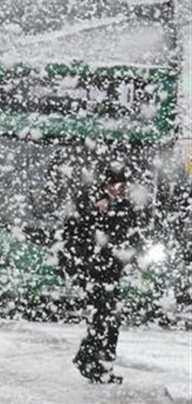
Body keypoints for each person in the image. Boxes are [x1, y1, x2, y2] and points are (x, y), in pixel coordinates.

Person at [63, 163, 140, 384]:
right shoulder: (92, 202)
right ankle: (94, 363)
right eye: (117, 185)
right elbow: (76, 232)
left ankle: (96, 362)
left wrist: (131, 257)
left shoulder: (125, 206)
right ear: (106, 185)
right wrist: (95, 214)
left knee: (107, 320)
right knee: (104, 319)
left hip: (112, 271)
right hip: (95, 271)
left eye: (124, 185)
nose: (121, 189)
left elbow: (131, 234)